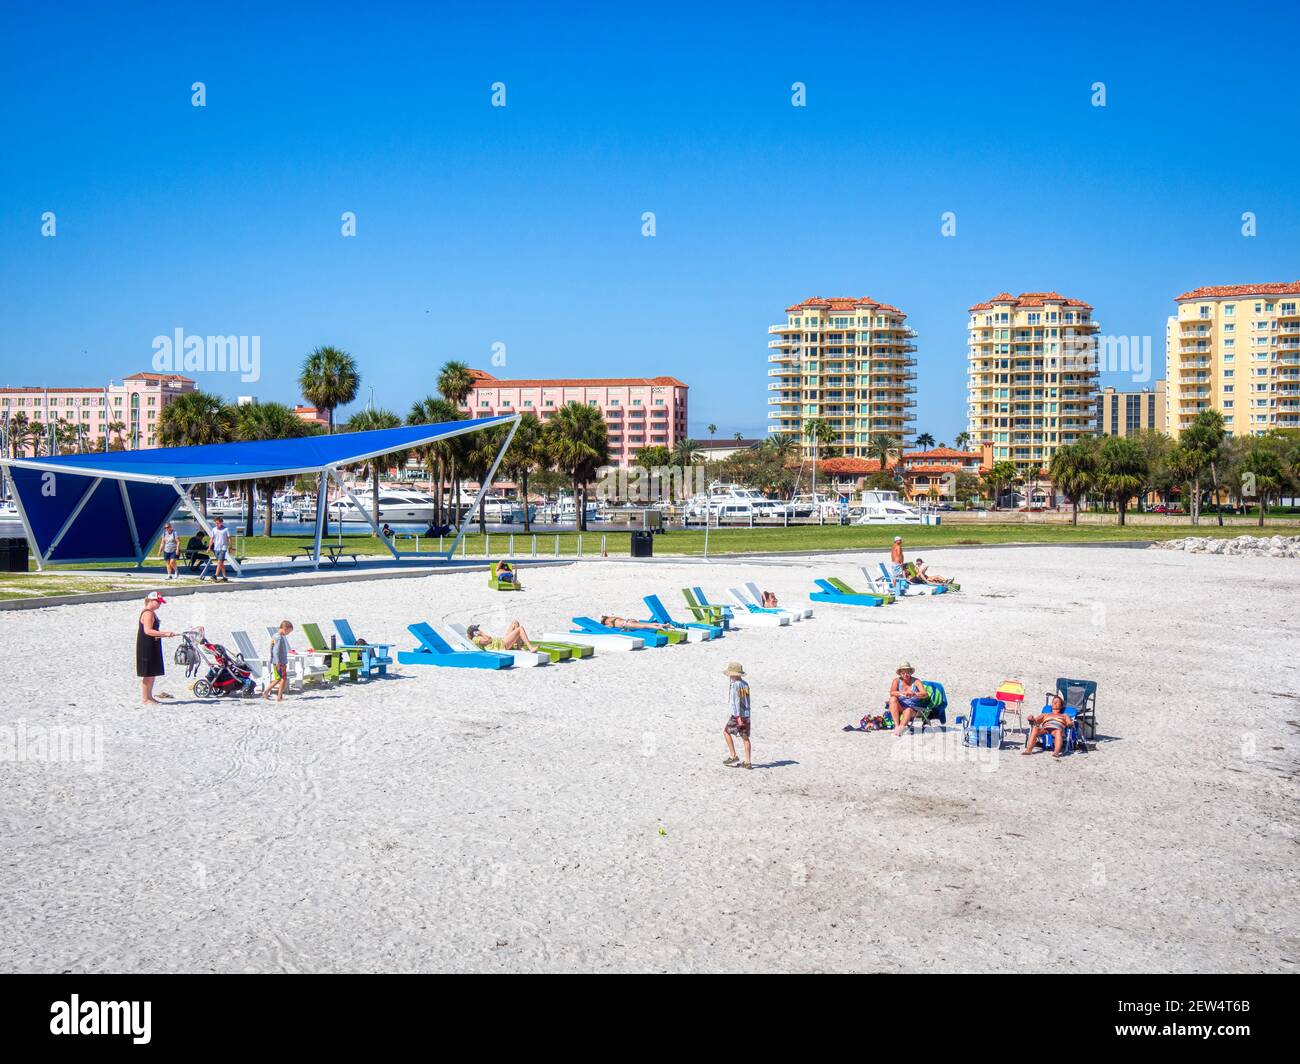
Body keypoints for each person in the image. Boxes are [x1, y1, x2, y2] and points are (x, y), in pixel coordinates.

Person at [137, 591, 177, 705]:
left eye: (160, 602)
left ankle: (149, 697)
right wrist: (165, 633)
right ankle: (145, 699)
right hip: (146, 645)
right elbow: (147, 631)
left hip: (152, 643)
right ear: (151, 601)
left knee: (152, 673)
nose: (159, 604)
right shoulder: (148, 613)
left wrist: (163, 634)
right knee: (148, 673)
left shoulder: (152, 613)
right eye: (158, 602)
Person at [722, 662, 752, 769]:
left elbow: (736, 701)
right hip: (747, 714)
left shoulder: (735, 685)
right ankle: (748, 762)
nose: (730, 676)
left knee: (726, 732)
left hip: (737, 715)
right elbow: (747, 701)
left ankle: (733, 755)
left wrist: (738, 717)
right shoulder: (745, 684)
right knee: (745, 738)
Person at [1023, 694, 1073, 758]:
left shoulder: (1064, 715)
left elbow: (1070, 723)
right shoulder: (1045, 714)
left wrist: (1070, 724)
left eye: (1057, 702)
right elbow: (1035, 721)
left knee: (1058, 731)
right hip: (1045, 729)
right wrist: (1031, 719)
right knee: (1035, 728)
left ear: (1061, 706)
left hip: (1057, 730)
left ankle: (1056, 752)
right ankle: (1028, 750)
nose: (1054, 703)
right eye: (1053, 702)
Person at [889, 662, 928, 735]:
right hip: (901, 707)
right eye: (903, 673)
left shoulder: (916, 681)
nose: (905, 675)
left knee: (908, 710)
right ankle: (897, 726)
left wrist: (914, 694)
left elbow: (925, 694)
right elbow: (892, 692)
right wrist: (903, 693)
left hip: (913, 709)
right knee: (892, 699)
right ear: (900, 673)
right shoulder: (896, 681)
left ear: (910, 672)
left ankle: (900, 730)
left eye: (907, 673)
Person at [263, 620, 293, 701]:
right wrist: (278, 662)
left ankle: (266, 692)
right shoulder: (279, 638)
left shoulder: (275, 636)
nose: (288, 634)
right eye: (288, 632)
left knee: (278, 678)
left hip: (276, 661)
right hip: (280, 662)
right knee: (283, 678)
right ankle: (279, 696)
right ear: (285, 629)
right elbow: (275, 650)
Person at [466, 620, 537, 652]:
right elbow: (488, 640)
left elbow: (489, 639)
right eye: (477, 629)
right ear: (474, 632)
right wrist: (482, 633)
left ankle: (518, 647)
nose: (478, 629)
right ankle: (530, 647)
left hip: (501, 641)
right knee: (520, 629)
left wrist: (482, 634)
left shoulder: (478, 637)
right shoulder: (476, 639)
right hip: (502, 645)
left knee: (515, 622)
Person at [210, 516, 231, 582]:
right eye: (216, 523)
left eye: (218, 523)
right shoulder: (214, 529)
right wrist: (209, 547)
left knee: (219, 562)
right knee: (221, 563)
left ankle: (215, 575)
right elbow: (212, 539)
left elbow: (229, 538)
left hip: (223, 548)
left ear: (221, 523)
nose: (217, 524)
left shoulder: (226, 529)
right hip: (216, 548)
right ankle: (225, 577)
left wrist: (230, 546)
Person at [598, 614, 674, 632]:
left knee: (645, 626)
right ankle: (665, 625)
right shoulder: (612, 617)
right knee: (647, 624)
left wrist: (606, 627)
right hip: (629, 620)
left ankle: (659, 627)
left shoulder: (608, 622)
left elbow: (610, 626)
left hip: (628, 624)